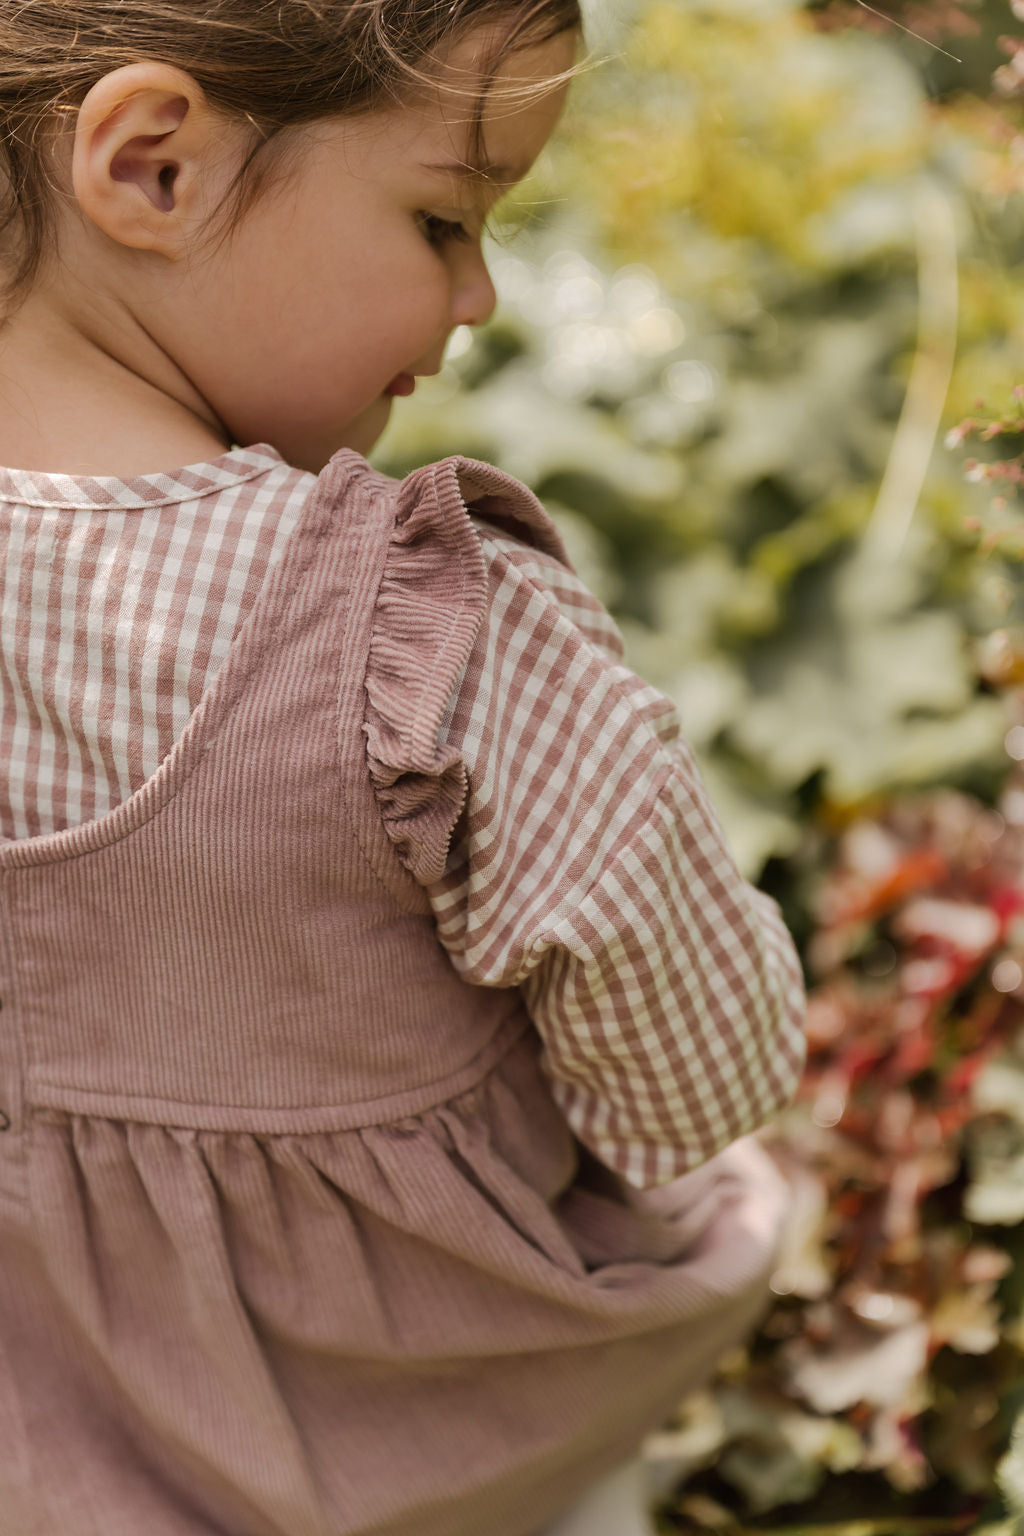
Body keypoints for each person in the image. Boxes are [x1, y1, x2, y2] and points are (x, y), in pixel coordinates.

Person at [0, 3, 807, 1533]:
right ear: (151, 168)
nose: (480, 293)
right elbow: (701, 1077)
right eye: (444, 216)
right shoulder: (425, 637)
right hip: (429, 1445)